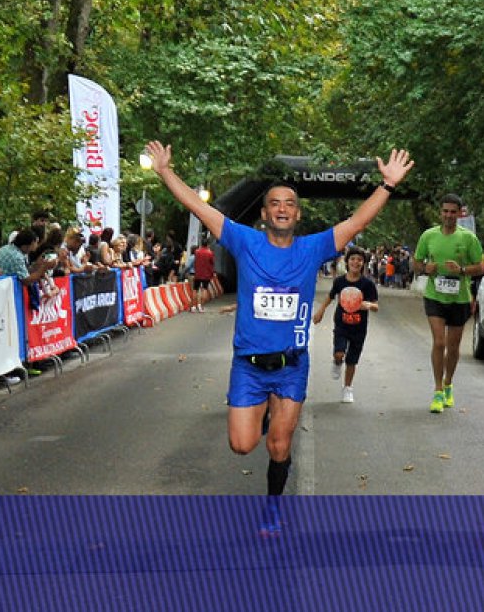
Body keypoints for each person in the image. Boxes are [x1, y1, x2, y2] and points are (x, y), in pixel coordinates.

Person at [145, 140, 412, 535]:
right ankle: (265, 414)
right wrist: (165, 171)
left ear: (297, 213)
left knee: (279, 446)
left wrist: (387, 185)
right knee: (241, 444)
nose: (282, 208)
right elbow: (200, 209)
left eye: (289, 203)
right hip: (249, 366)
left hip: (291, 365)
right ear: (264, 213)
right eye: (274, 204)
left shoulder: (312, 248)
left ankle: (272, 508)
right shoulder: (244, 241)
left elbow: (356, 223)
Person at [413, 193, 484, 414]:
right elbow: (416, 263)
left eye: (453, 212)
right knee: (439, 343)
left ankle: (448, 384)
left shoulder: (468, 238)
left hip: (459, 298)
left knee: (453, 347)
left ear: (459, 214)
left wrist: (462, 270)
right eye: (445, 211)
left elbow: (480, 266)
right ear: (440, 212)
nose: (448, 215)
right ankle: (437, 390)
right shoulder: (428, 236)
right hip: (435, 296)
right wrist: (425, 268)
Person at [312, 246, 379, 403]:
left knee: (352, 360)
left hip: (359, 328)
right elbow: (330, 297)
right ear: (347, 262)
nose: (356, 262)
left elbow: (376, 306)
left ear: (363, 264)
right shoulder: (340, 281)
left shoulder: (367, 284)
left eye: (359, 260)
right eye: (353, 259)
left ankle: (348, 388)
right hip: (342, 325)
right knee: (339, 354)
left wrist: (368, 305)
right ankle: (337, 362)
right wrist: (320, 311)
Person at [191, 235, 216, 312]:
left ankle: (193, 306)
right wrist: (212, 273)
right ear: (208, 244)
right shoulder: (210, 253)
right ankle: (201, 307)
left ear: (201, 244)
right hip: (206, 274)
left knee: (195, 289)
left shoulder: (197, 252)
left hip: (198, 273)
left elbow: (195, 262)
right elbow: (212, 263)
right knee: (204, 289)